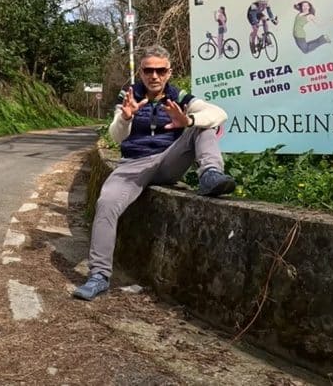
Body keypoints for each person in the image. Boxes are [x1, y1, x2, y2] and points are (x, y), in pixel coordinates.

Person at [73, 45, 234, 301]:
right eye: (149, 70)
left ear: (169, 73)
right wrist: (125, 118)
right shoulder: (129, 96)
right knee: (106, 203)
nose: (154, 76)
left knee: (203, 127)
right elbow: (116, 136)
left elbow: (219, 114)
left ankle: (211, 174)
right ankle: (99, 275)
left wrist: (188, 121)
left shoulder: (179, 96)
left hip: (169, 160)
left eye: (160, 70)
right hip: (133, 165)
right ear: (141, 72)